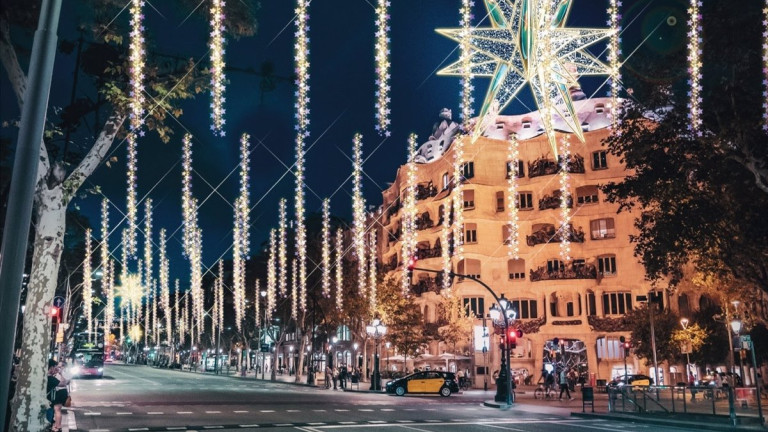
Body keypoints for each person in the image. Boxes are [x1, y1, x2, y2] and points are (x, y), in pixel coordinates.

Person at [47, 359, 69, 432]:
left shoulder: (49, 376)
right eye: (56, 366)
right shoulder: (50, 377)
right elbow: (64, 382)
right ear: (51, 367)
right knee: (57, 410)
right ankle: (57, 426)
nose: (57, 368)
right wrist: (60, 373)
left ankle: (56, 426)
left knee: (56, 410)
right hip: (57, 393)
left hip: (57, 393)